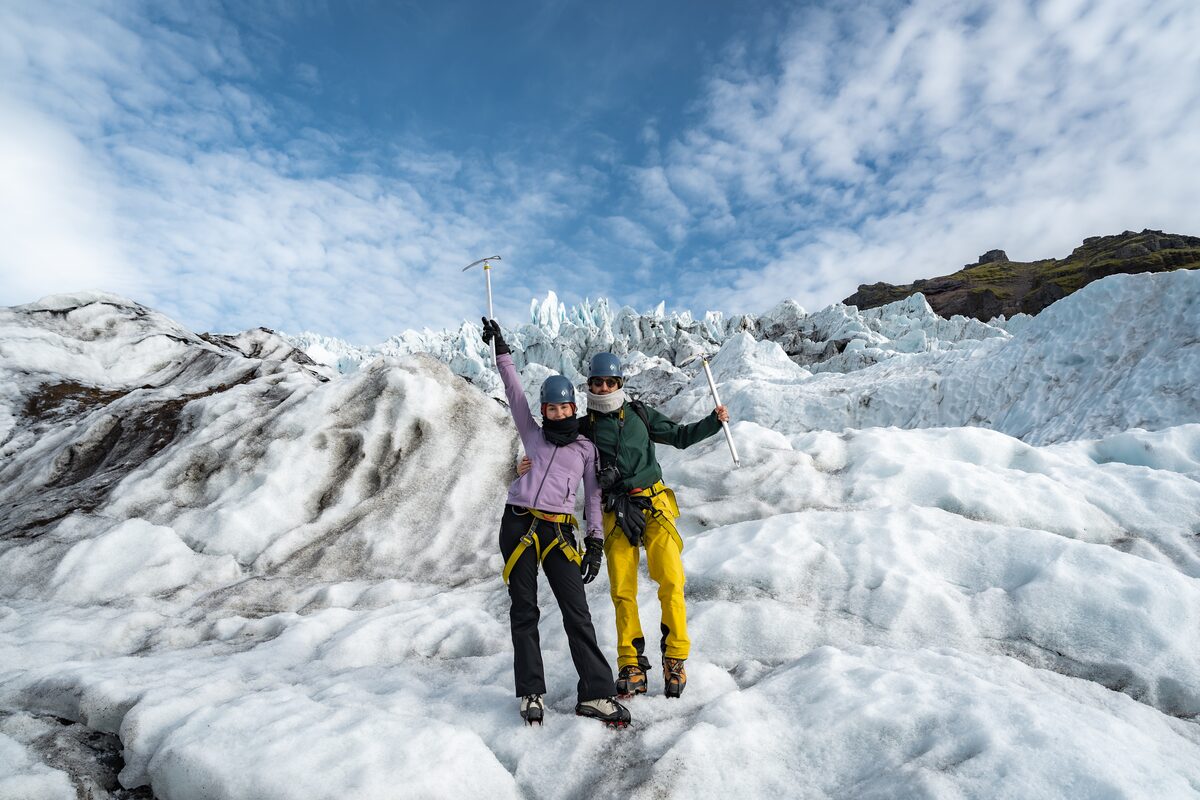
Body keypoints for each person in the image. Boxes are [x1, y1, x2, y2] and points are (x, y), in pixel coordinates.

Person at [519, 352, 730, 699]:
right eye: (598, 383)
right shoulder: (582, 428)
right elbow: (552, 451)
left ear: (620, 384)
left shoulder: (640, 416)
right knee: (622, 591)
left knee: (671, 580)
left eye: (610, 382)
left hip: (653, 504)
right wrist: (525, 466)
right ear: (589, 385)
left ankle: (674, 657)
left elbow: (679, 436)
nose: (604, 388)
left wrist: (713, 421)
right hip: (614, 511)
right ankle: (630, 662)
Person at [481, 319, 631, 728]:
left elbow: (594, 498)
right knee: (523, 610)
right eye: (552, 407)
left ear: (574, 408)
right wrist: (502, 350)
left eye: (565, 407)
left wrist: (596, 541)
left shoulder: (585, 450)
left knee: (576, 612)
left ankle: (596, 695)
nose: (559, 412)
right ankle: (531, 691)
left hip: (559, 531)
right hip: (517, 524)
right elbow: (513, 393)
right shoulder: (532, 435)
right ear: (545, 409)